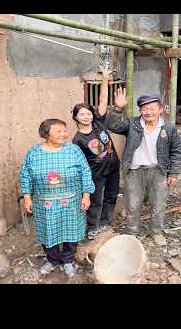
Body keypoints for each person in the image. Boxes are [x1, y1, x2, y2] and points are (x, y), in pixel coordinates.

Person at [105, 89, 181, 246]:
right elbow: (111, 125)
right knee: (132, 204)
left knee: (159, 204)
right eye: (144, 109)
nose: (148, 112)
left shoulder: (168, 128)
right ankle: (132, 231)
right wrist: (118, 108)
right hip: (134, 170)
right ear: (140, 110)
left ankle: (156, 231)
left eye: (152, 108)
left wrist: (173, 172)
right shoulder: (132, 124)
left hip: (159, 171)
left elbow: (176, 151)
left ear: (160, 109)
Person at [19, 119, 95, 277]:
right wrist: (27, 197)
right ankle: (52, 259)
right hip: (45, 203)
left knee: (71, 231)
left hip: (72, 202)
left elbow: (85, 172)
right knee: (47, 231)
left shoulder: (73, 150)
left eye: (64, 130)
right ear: (46, 134)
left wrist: (86, 195)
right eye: (58, 131)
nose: (64, 134)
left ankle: (68, 260)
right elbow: (25, 175)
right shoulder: (34, 152)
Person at [72, 68, 120, 240]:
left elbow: (102, 101)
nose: (86, 116)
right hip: (96, 174)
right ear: (76, 118)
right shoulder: (78, 139)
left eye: (88, 113)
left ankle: (106, 222)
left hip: (113, 167)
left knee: (112, 196)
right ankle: (92, 227)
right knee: (96, 200)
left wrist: (105, 79)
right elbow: (80, 163)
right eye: (81, 114)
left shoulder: (99, 123)